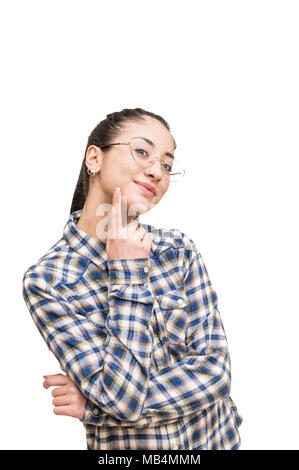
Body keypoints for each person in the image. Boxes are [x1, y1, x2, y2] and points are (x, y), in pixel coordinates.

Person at [22, 107, 243, 450]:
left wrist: (95, 407)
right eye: (142, 151)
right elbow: (122, 399)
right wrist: (127, 276)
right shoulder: (48, 281)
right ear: (94, 158)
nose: (156, 171)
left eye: (167, 165)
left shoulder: (177, 249)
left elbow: (215, 374)